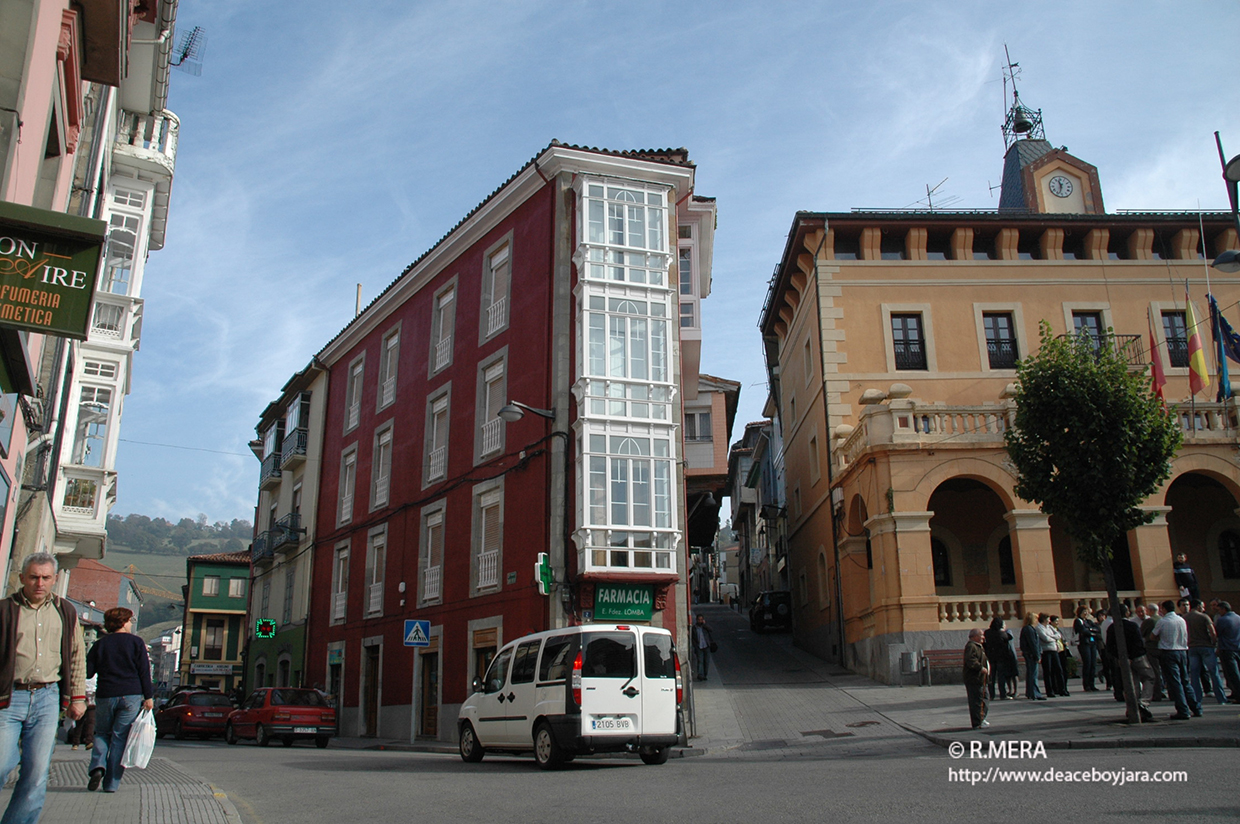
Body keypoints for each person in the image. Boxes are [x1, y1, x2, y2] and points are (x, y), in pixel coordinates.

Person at [0, 552, 87, 823]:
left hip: (47, 698)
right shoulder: (5, 610)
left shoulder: (65, 611)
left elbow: (76, 655)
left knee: (37, 772)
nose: (39, 583)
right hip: (9, 697)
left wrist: (78, 697)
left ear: (55, 579)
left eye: (46, 578)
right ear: (22, 578)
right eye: (34, 577)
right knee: (2, 764)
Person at [87, 607, 154, 793]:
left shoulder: (100, 644)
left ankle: (98, 766)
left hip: (106, 694)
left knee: (101, 733)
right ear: (123, 622)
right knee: (120, 738)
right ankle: (111, 784)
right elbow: (144, 672)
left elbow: (88, 672)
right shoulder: (136, 643)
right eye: (130, 620)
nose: (131, 624)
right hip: (131, 695)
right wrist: (148, 697)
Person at [1105, 605, 1155, 722]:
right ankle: (1143, 702)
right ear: (1126, 613)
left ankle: (1132, 708)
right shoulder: (1132, 626)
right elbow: (1138, 642)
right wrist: (1134, 655)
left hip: (1123, 659)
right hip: (1138, 657)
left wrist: (1121, 657)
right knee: (1149, 677)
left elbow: (1109, 647)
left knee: (1132, 683)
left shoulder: (1112, 628)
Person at [1151, 599, 1199, 720]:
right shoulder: (1181, 620)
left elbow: (1152, 636)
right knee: (1185, 681)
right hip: (1182, 651)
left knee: (1175, 683)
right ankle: (1196, 707)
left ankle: (1183, 710)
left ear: (1164, 609)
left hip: (1168, 652)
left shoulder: (1163, 621)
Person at [1185, 599, 1227, 707]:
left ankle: (1197, 699)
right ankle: (1221, 698)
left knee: (1194, 674)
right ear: (1198, 606)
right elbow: (1212, 632)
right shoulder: (1204, 617)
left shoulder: (1185, 618)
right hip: (1206, 646)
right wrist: (1213, 642)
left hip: (1192, 647)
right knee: (1214, 672)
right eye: (1202, 607)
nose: (1203, 609)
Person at [983, 618, 1017, 700]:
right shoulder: (1001, 633)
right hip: (1001, 658)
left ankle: (991, 695)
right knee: (1001, 676)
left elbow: (984, 644)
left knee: (991, 677)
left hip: (990, 657)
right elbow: (1008, 639)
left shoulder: (987, 633)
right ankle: (1003, 694)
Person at [1214, 601, 1240, 703]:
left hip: (1227, 649)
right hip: (1237, 647)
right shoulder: (1238, 617)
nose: (1219, 612)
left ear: (1224, 609)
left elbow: (1218, 634)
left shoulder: (1223, 620)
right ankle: (1235, 693)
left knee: (1232, 674)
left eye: (1219, 610)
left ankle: (1238, 695)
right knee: (1237, 672)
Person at [963, 629, 990, 729]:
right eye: (981, 635)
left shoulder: (978, 646)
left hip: (980, 678)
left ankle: (981, 718)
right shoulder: (971, 646)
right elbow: (971, 660)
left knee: (983, 698)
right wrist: (980, 668)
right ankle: (977, 722)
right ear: (974, 636)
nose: (983, 637)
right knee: (977, 700)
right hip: (974, 678)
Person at [1037, 613, 1066, 697]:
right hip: (1046, 651)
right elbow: (1045, 638)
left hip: (1054, 650)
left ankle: (1062, 689)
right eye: (1048, 619)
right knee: (1048, 671)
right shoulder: (1039, 628)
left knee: (1058, 669)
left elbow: (1058, 635)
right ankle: (1050, 691)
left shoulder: (1049, 627)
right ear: (1044, 619)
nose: (1049, 621)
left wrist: (1051, 636)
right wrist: (1053, 638)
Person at [1139, 605, 1165, 701]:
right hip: (1164, 647)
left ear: (1149, 611)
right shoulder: (1162, 619)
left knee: (1155, 672)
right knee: (1166, 672)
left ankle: (1157, 693)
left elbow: (1142, 633)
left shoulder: (1149, 621)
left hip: (1152, 648)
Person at [67, 673, 97, 750]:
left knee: (91, 721)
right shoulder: (82, 675)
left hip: (92, 701)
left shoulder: (95, 675)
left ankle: (89, 741)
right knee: (79, 722)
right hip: (82, 699)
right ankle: (75, 742)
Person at [1073, 606, 1100, 691]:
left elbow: (1097, 629)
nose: (1086, 613)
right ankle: (1086, 684)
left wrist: (1090, 630)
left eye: (1087, 611)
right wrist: (1090, 631)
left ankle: (1092, 684)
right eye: (1084, 611)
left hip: (1092, 643)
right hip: (1084, 644)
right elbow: (1083, 631)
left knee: (1093, 664)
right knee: (1087, 663)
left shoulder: (1088, 621)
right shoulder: (1078, 621)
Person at [1019, 613, 1045, 700]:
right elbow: (1033, 644)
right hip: (1031, 655)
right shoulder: (1029, 629)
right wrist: (1037, 655)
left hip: (1029, 654)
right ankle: (1035, 693)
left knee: (1031, 674)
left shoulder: (1026, 629)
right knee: (1033, 674)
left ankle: (1030, 692)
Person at [692, 614, 714, 681]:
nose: (700, 621)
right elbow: (693, 638)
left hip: (706, 646)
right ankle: (700, 675)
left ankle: (705, 674)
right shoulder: (694, 628)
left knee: (706, 661)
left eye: (701, 620)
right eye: (699, 620)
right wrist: (695, 646)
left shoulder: (705, 627)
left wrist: (705, 625)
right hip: (699, 647)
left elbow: (711, 630)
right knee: (700, 661)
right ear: (696, 620)